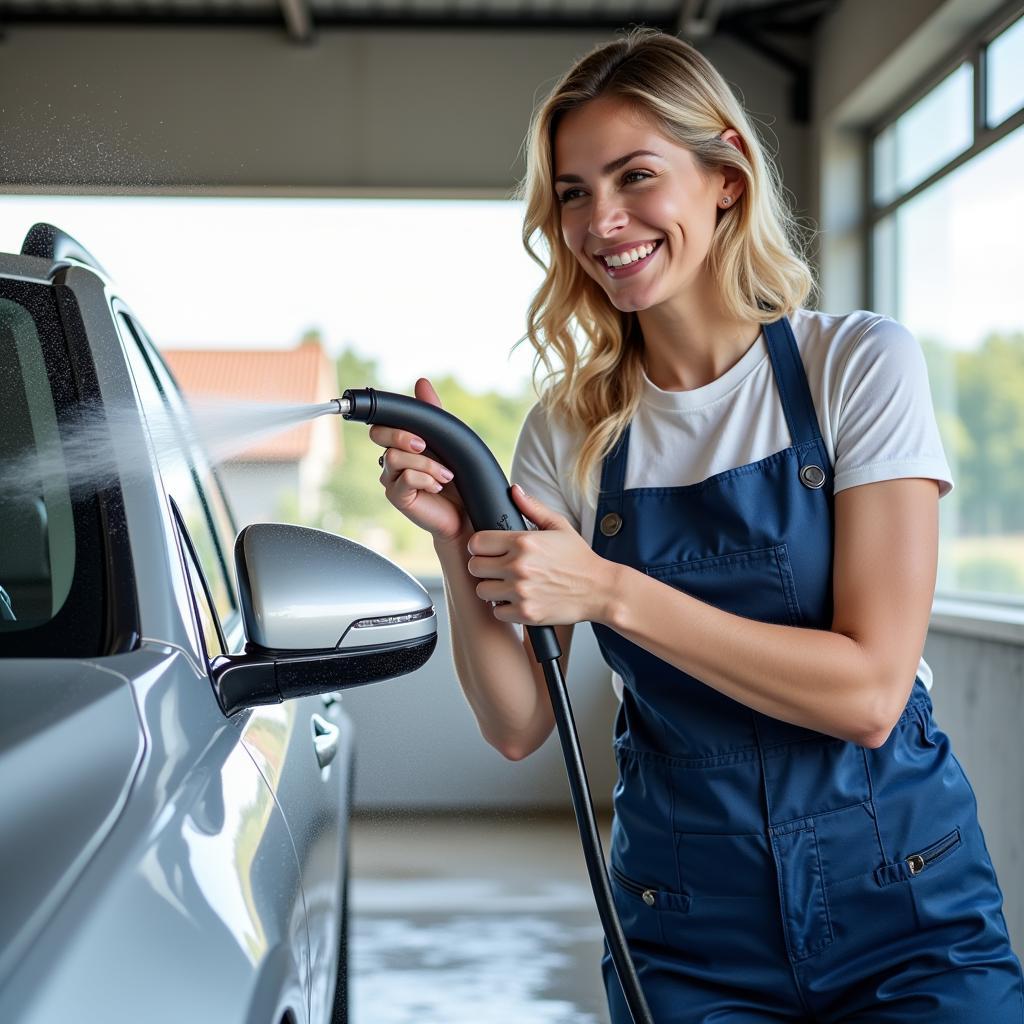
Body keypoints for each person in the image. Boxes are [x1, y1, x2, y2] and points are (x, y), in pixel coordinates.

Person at [368, 27, 1024, 1023]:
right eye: (575, 194)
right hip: (686, 925)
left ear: (724, 173)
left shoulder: (853, 366)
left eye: (635, 176)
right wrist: (460, 547)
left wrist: (609, 590)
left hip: (902, 902)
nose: (603, 221)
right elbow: (515, 724)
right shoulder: (572, 427)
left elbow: (870, 691)